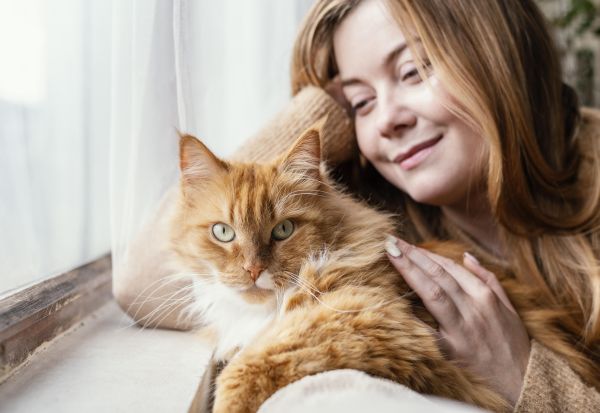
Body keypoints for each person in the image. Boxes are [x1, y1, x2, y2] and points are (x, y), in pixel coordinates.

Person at [114, 0, 600, 410]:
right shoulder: (356, 205)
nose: (386, 120)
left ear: (497, 53)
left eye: (413, 71)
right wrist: (320, 116)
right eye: (361, 103)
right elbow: (142, 279)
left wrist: (526, 378)